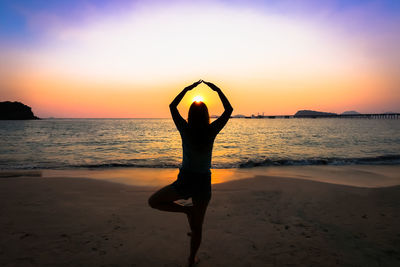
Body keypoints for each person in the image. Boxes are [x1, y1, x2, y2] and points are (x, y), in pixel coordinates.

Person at [148, 80, 233, 266]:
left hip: (185, 181)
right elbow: (228, 110)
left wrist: (187, 90)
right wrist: (217, 89)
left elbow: (172, 106)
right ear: (206, 115)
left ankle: (187, 211)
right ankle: (191, 259)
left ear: (189, 115)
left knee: (153, 201)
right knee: (198, 227)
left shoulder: (184, 129)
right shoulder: (212, 130)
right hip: (202, 183)